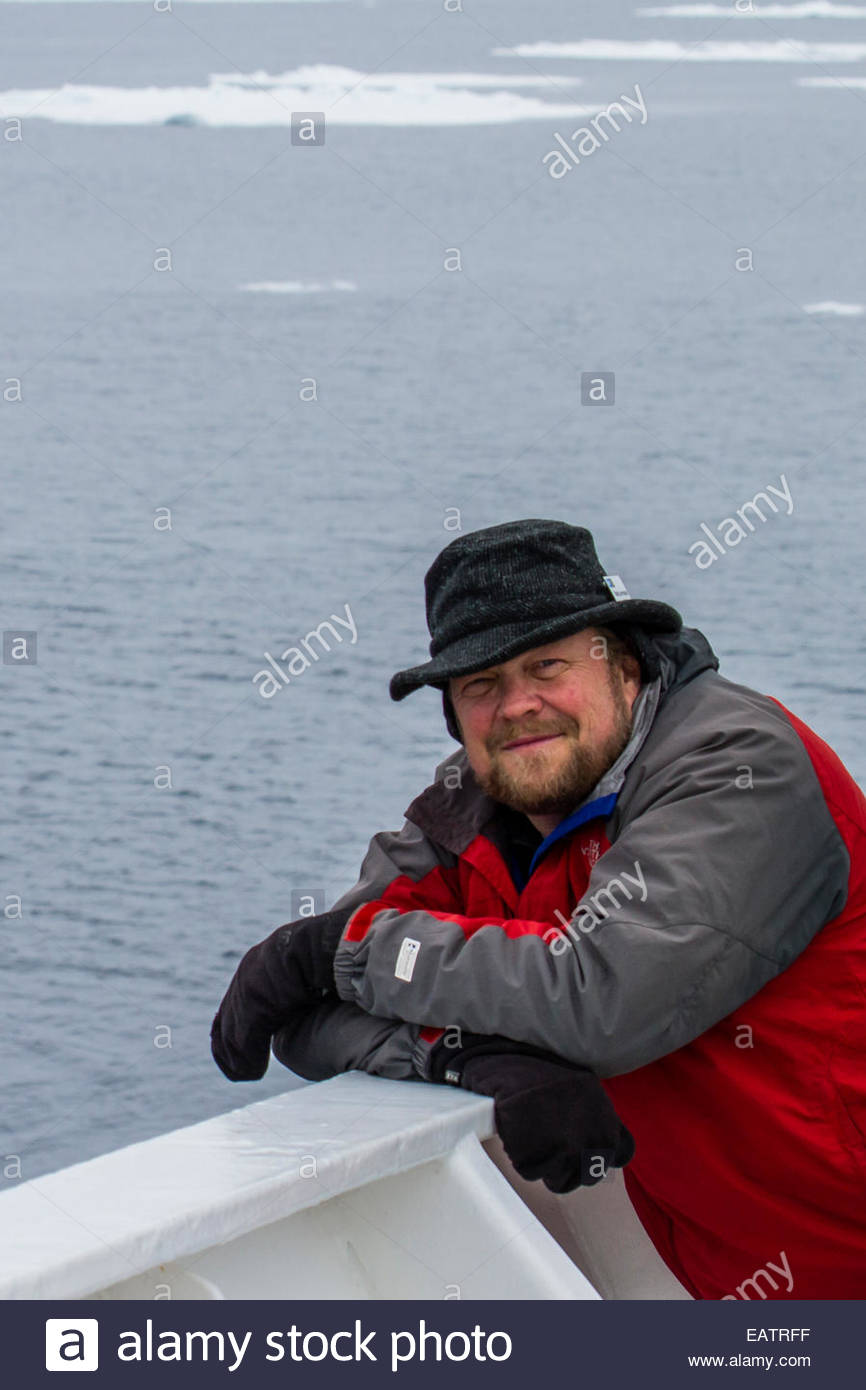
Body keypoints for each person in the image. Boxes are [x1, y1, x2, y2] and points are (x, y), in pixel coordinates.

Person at [211, 518, 866, 1300]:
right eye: (481, 685)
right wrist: (463, 1057)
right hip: (723, 1275)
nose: (517, 705)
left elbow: (602, 997)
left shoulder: (740, 768)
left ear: (624, 666)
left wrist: (352, 954)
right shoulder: (470, 810)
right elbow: (301, 1013)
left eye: (546, 665)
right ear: (453, 714)